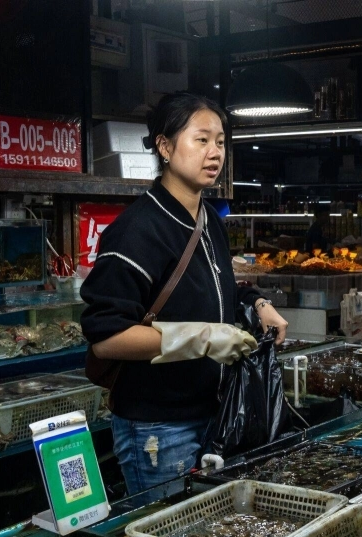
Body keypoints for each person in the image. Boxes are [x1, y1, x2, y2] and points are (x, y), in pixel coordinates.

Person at [81, 92, 289, 495]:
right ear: (164, 145)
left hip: (213, 412)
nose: (215, 152)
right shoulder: (136, 231)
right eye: (201, 139)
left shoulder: (209, 219)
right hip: (158, 429)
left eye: (221, 142)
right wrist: (204, 338)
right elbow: (106, 338)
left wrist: (256, 303)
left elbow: (217, 289)